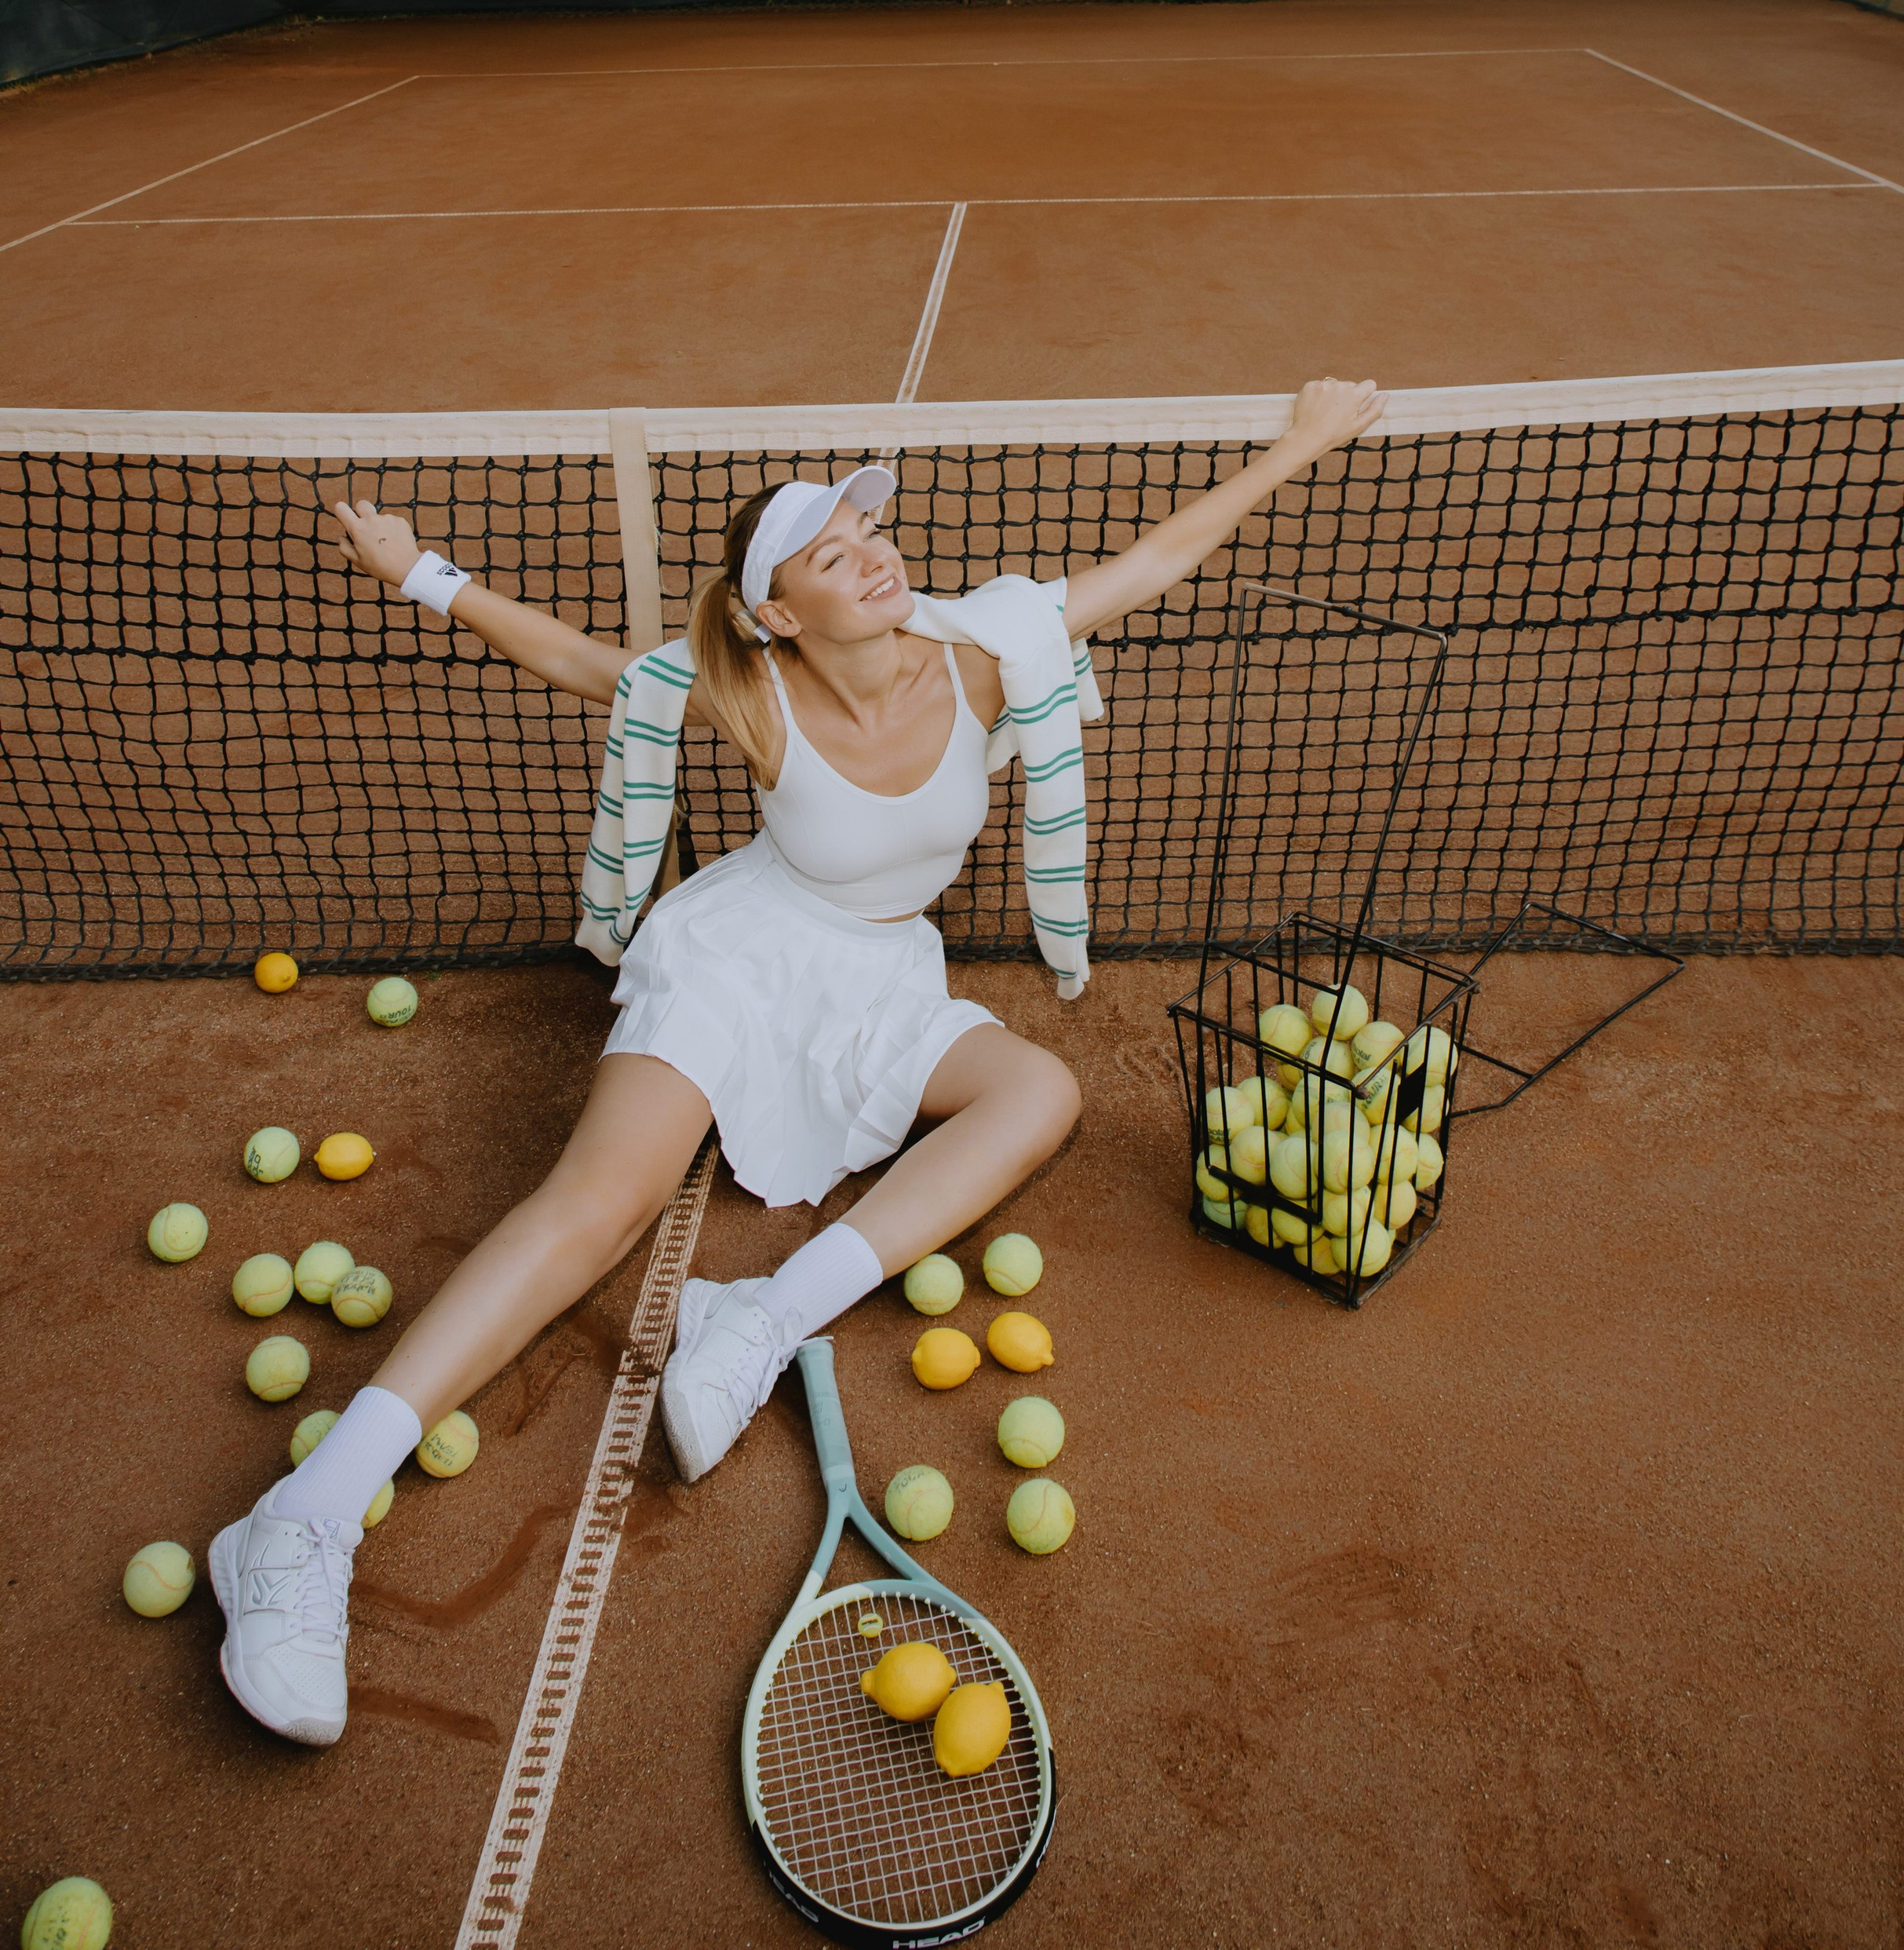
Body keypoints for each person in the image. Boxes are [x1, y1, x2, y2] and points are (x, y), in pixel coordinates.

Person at [206, 375, 1382, 1745]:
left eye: (872, 532)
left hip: (880, 975)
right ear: (779, 612)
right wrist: (427, 575)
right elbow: (586, 664)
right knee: (602, 1204)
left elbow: (1159, 560)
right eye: (831, 552)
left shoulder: (989, 654)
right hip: (743, 954)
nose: (875, 554)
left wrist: (1300, 441)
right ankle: (301, 1518)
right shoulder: (751, 694)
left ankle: (761, 1314)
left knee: (1041, 1092)